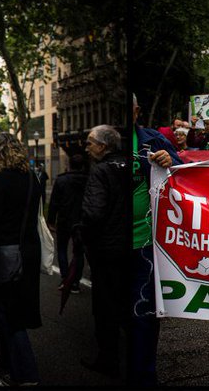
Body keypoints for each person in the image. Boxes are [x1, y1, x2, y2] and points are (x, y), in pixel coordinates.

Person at [129, 94, 184, 386]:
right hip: (110, 249)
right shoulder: (104, 143)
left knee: (143, 315)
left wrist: (170, 160)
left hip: (145, 247)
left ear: (137, 111)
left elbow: (184, 174)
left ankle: (145, 375)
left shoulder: (152, 141)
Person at [0, 132, 43, 386]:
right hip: (29, 249)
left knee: (9, 310)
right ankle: (5, 356)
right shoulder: (32, 178)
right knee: (15, 305)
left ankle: (26, 373)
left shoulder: (1, 180)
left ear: (3, 153)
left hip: (6, 251)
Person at [79, 124, 133, 380]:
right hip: (129, 248)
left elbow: (93, 213)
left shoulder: (100, 171)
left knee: (105, 309)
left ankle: (108, 360)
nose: (87, 147)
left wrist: (84, 237)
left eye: (90, 142)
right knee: (126, 305)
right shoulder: (129, 165)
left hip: (106, 251)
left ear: (102, 146)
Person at [47, 153, 88, 293]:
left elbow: (54, 202)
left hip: (64, 219)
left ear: (69, 165)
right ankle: (75, 281)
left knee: (62, 250)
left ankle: (65, 279)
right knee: (79, 252)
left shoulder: (61, 180)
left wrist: (51, 220)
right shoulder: (88, 180)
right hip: (82, 220)